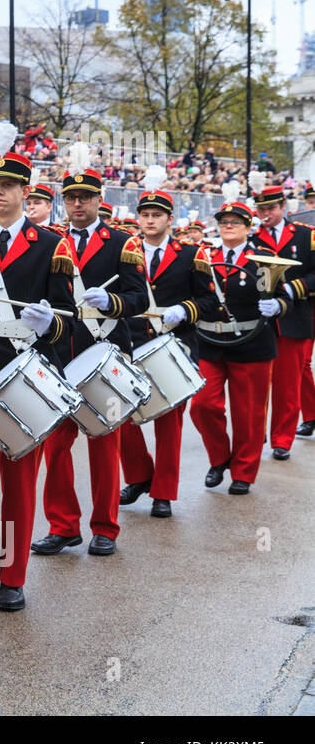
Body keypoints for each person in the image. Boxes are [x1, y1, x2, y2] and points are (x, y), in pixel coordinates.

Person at [0, 134, 77, 612]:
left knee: (20, 477)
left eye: (8, 185)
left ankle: (14, 575)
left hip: (26, 369)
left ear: (27, 191)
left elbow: (70, 315)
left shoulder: (51, 245)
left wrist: (53, 323)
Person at [34, 166, 150, 558]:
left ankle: (105, 526)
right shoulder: (51, 242)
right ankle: (63, 525)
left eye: (84, 197)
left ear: (100, 200)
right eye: (70, 197)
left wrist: (112, 303)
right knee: (56, 444)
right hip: (61, 354)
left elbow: (140, 300)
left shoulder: (122, 242)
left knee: (104, 444)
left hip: (105, 353)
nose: (77, 203)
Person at [118, 190, 215, 517]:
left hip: (175, 347)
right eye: (145, 214)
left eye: (156, 215)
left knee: (169, 423)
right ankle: (139, 476)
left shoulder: (191, 254)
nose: (149, 220)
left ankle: (164, 491)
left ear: (169, 219)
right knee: (123, 419)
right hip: (132, 344)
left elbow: (210, 302)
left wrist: (184, 310)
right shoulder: (126, 252)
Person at [189, 201, 289, 495]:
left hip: (252, 345)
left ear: (248, 227)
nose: (228, 226)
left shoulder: (263, 258)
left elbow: (286, 298)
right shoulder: (204, 256)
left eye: (235, 221)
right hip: (211, 343)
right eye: (224, 221)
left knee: (249, 414)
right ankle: (220, 459)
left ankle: (244, 471)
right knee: (203, 405)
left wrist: (277, 305)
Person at [251, 186, 315, 460]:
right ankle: (254, 436)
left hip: (294, 317)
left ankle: (282, 439)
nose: (266, 214)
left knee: (288, 384)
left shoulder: (305, 234)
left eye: (271, 209)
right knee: (253, 385)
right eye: (261, 210)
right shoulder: (251, 236)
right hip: (260, 319)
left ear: (283, 207)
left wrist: (292, 289)